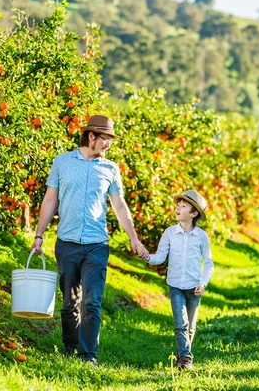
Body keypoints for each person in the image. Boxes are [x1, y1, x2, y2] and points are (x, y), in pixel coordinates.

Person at [31, 114, 148, 367]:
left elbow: (119, 206)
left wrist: (134, 238)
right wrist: (39, 235)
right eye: (106, 139)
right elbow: (50, 200)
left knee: (92, 301)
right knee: (69, 302)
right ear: (92, 136)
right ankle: (69, 348)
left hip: (97, 244)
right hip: (67, 242)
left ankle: (88, 356)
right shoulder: (62, 163)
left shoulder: (110, 169)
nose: (109, 145)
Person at [141, 189, 214, 370]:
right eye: (178, 206)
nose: (178, 209)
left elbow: (209, 263)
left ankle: (185, 355)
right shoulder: (170, 233)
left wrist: (203, 283)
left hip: (194, 287)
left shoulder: (201, 236)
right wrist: (147, 256)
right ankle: (185, 360)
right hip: (175, 286)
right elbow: (160, 257)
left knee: (190, 326)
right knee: (181, 324)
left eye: (183, 206)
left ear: (194, 213)